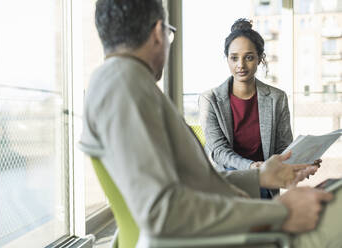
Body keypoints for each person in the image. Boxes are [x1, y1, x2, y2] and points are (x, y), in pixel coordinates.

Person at [79, 0, 340, 247]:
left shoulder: (124, 83)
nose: (241, 65)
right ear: (159, 32)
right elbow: (162, 211)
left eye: (249, 57)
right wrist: (279, 212)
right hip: (219, 237)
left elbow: (188, 182)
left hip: (227, 220)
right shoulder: (125, 86)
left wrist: (260, 176)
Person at [199, 19, 292, 199]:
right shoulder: (210, 100)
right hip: (227, 183)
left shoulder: (277, 98)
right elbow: (218, 151)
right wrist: (252, 168)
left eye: (248, 57)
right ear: (227, 58)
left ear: (260, 58)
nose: (240, 65)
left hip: (266, 182)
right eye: (234, 58)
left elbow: (283, 146)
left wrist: (302, 160)